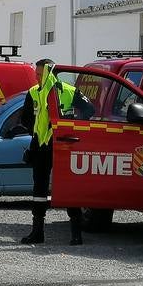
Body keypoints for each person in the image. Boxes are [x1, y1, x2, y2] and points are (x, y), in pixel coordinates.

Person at [20, 58, 88, 246]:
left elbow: (89, 110)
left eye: (40, 74)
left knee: (68, 188)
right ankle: (37, 232)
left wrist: (72, 128)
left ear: (50, 72)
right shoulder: (33, 93)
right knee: (39, 190)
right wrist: (36, 132)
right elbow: (25, 119)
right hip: (41, 147)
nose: (37, 77)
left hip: (64, 145)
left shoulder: (68, 90)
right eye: (36, 74)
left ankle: (76, 233)